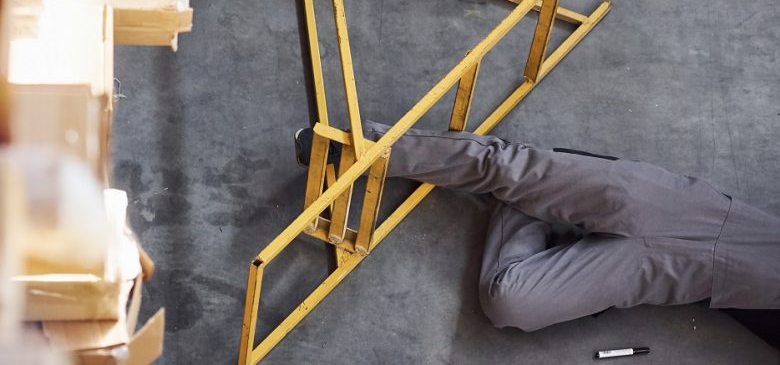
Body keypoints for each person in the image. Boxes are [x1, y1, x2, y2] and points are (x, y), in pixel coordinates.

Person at [295, 122, 780, 346]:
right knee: (506, 167)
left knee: (510, 303)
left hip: (662, 275)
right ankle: (365, 149)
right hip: (689, 211)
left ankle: (535, 193)